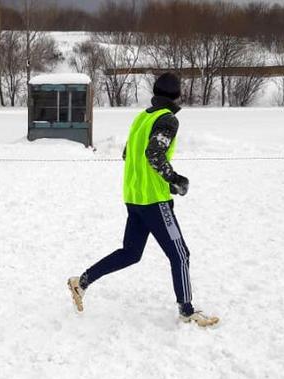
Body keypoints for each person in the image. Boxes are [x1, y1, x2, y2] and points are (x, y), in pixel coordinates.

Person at [67, 73, 219, 328]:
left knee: (131, 253)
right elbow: (154, 154)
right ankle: (187, 310)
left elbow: (128, 154)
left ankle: (81, 282)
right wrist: (175, 180)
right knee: (180, 255)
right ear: (177, 95)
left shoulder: (142, 117)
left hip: (134, 198)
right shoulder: (167, 119)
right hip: (154, 201)